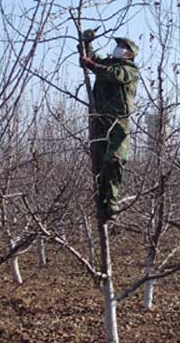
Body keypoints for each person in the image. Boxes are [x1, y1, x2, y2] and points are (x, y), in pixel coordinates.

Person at [79, 30, 140, 221]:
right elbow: (91, 58)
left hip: (118, 122)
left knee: (113, 160)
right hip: (99, 120)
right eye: (118, 45)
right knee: (98, 162)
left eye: (122, 47)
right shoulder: (107, 63)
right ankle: (102, 206)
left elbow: (114, 75)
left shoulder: (129, 69)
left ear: (129, 53)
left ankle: (111, 202)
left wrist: (92, 65)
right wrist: (87, 42)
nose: (118, 49)